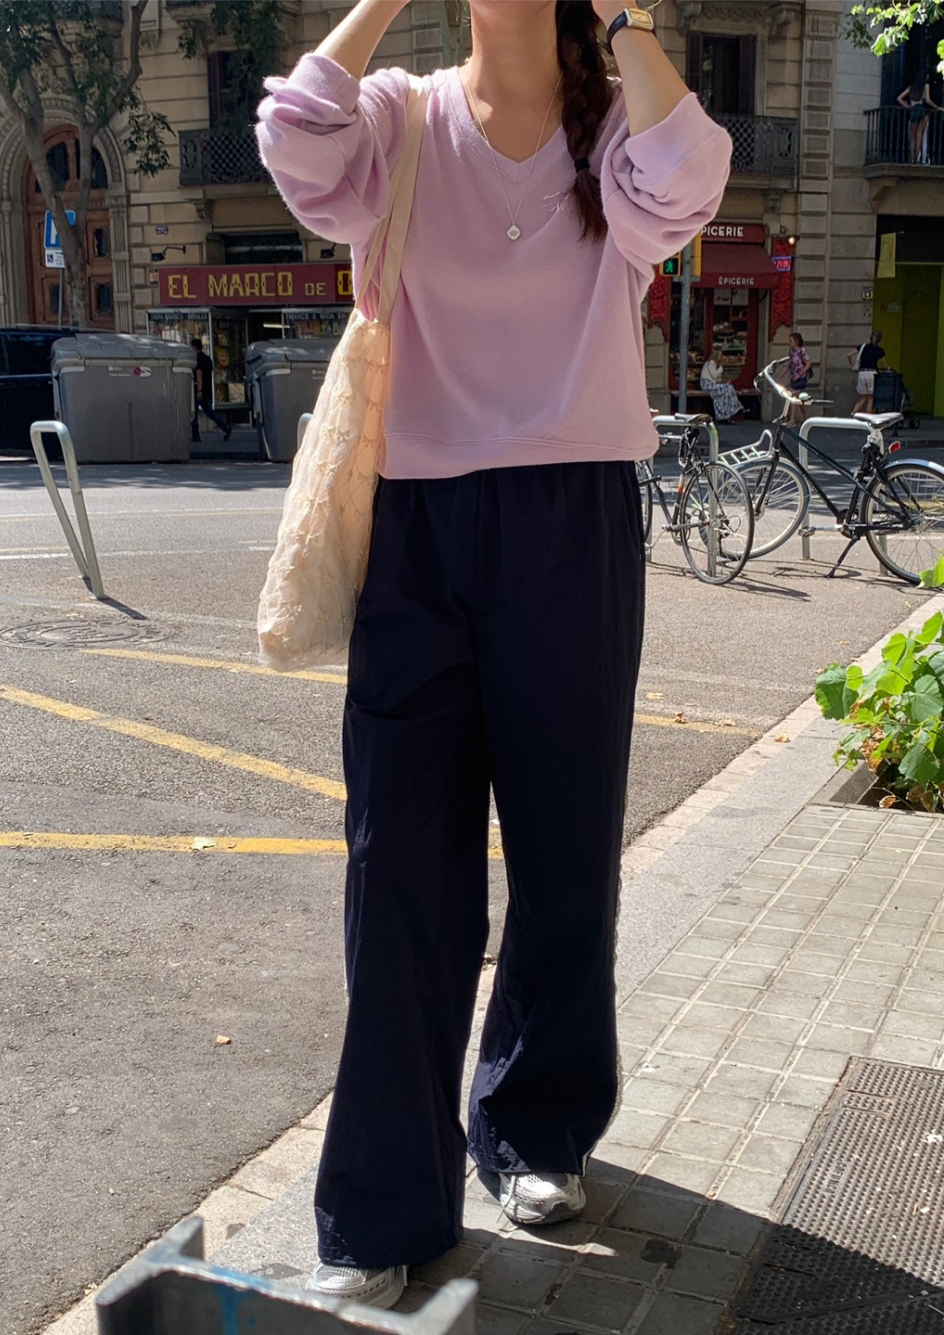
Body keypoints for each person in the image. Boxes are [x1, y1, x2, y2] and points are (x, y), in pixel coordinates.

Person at [257, 0, 730, 1308]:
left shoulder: (613, 135)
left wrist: (625, 18)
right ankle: (382, 1205)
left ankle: (534, 1125)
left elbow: (689, 178)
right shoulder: (401, 121)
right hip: (414, 522)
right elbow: (293, 136)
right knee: (396, 864)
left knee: (567, 846)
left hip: (573, 517)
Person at [190, 337, 231, 442]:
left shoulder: (196, 359)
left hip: (198, 390)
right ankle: (225, 427)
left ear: (194, 348)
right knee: (210, 412)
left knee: (193, 413)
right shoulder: (208, 359)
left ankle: (196, 435)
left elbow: (199, 374)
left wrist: (199, 390)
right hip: (208, 389)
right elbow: (213, 372)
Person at [897, 72, 942, 165]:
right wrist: (937, 107)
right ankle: (917, 157)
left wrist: (907, 106)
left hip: (913, 110)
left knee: (912, 136)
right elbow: (928, 100)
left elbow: (899, 98)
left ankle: (912, 158)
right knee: (919, 135)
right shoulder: (924, 86)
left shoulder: (911, 88)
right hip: (921, 110)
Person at [699, 350, 744, 422]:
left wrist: (724, 381)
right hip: (707, 385)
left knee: (725, 394)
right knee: (729, 388)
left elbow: (716, 379)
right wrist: (721, 367)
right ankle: (736, 408)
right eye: (720, 355)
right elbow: (714, 375)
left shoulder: (714, 364)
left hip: (710, 385)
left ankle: (725, 416)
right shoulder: (711, 362)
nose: (722, 357)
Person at [849, 330, 887, 414]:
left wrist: (852, 364)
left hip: (861, 373)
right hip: (872, 373)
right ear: (880, 340)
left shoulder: (862, 347)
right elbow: (885, 366)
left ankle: (853, 414)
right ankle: (867, 417)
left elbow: (849, 355)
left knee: (862, 398)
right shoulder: (880, 350)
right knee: (870, 399)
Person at [785, 331, 812, 425]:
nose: (790, 343)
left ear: (796, 341)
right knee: (800, 401)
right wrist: (781, 376)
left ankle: (792, 419)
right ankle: (807, 419)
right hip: (793, 378)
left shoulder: (802, 351)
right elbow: (789, 365)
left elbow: (808, 364)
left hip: (801, 379)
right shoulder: (791, 352)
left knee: (794, 397)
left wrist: (799, 374)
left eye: (791, 341)